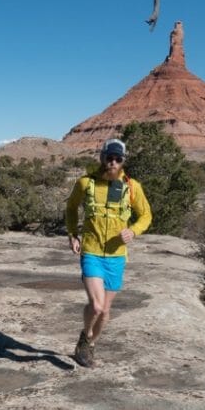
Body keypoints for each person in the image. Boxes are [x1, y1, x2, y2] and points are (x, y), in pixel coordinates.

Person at [65, 138, 152, 367]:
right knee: (96, 306)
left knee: (105, 312)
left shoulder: (132, 187)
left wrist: (133, 231)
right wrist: (73, 234)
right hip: (91, 251)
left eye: (118, 159)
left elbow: (146, 216)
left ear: (123, 162)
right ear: (102, 157)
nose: (112, 162)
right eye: (109, 157)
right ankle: (86, 336)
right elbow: (71, 208)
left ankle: (89, 345)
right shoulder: (86, 183)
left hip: (116, 256)